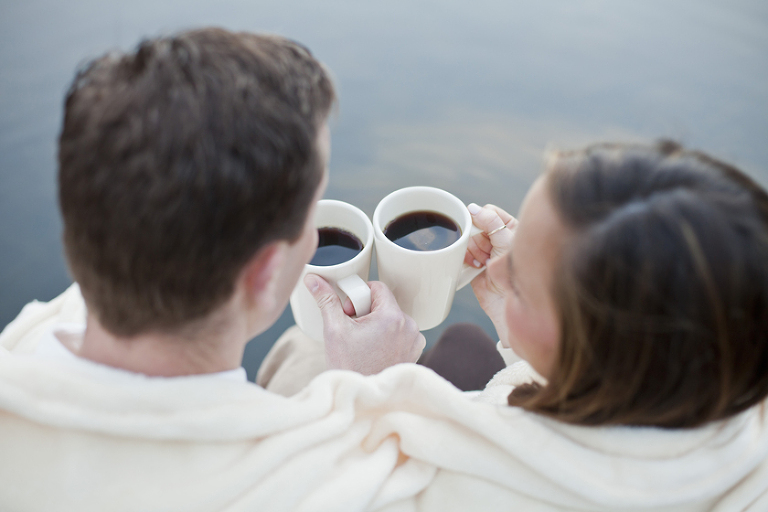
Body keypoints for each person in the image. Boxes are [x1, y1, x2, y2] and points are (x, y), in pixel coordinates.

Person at [261, 141, 768, 510]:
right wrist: (519, 322)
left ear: (598, 350)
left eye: (522, 278)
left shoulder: (476, 488)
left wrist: (367, 389)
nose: (494, 267)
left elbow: (335, 493)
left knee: (304, 351)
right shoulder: (737, 408)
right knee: (463, 341)